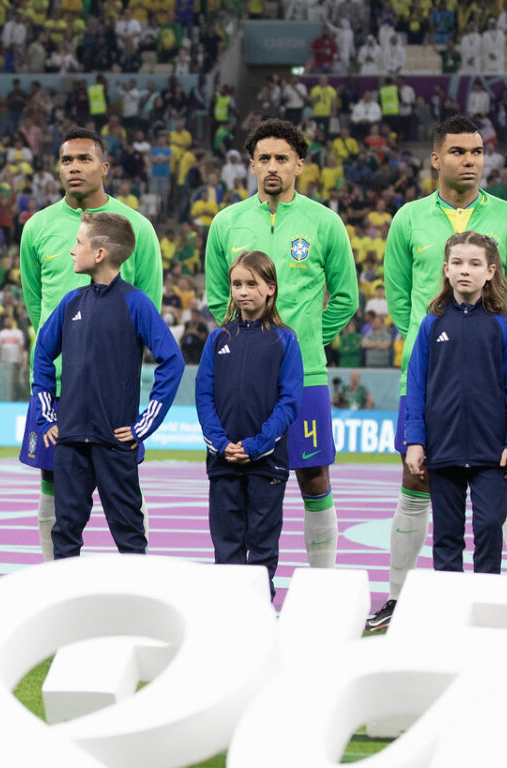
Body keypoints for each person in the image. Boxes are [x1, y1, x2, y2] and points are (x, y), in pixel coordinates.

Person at [369, 116, 507, 632]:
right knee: (414, 482)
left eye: (478, 151)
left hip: (487, 383)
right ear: (436, 158)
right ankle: (399, 599)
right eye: (459, 151)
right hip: (428, 377)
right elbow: (401, 301)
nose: (470, 159)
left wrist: (480, 347)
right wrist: (441, 345)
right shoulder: (408, 219)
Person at [204, 119, 358, 571]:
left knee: (313, 477)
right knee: (240, 477)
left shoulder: (324, 222)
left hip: (306, 372)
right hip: (244, 376)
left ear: (300, 165)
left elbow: (346, 298)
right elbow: (219, 296)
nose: (273, 167)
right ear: (251, 165)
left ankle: (323, 584)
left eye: (283, 159)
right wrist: (254, 344)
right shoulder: (226, 223)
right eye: (264, 159)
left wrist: (301, 340)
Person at [18, 127, 163, 561]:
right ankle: (54, 583)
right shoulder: (38, 227)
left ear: (104, 167)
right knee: (52, 484)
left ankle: (135, 581)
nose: (74, 167)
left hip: (110, 389)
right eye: (66, 160)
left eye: (84, 159)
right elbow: (35, 305)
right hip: (56, 387)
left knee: (124, 486)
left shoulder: (135, 227)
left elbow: (147, 308)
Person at [30, 212, 183, 559]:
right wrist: (48, 417)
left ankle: (137, 609)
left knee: (129, 534)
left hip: (115, 443)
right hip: (70, 442)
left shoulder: (136, 303)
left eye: (78, 243)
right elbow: (41, 353)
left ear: (99, 253)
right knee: (65, 533)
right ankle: (66, 610)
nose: (72, 250)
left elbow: (171, 361)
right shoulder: (71, 303)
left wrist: (145, 424)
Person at [404, 231, 507, 575]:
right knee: (446, 538)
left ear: (490, 271)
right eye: (457, 263)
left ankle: (483, 609)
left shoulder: (503, 325)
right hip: (443, 451)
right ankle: (449, 615)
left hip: (491, 453)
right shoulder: (432, 323)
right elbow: (416, 388)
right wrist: (415, 440)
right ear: (445, 269)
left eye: (474, 264)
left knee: (489, 530)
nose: (464, 270)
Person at [195, 251, 303, 598]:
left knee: (262, 544)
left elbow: (289, 402)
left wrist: (257, 444)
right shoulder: (218, 339)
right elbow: (204, 397)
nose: (243, 291)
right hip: (222, 461)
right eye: (237, 284)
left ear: (270, 288)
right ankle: (229, 611)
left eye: (251, 284)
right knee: (226, 544)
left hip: (266, 463)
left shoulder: (286, 340)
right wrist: (220, 442)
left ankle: (258, 610)